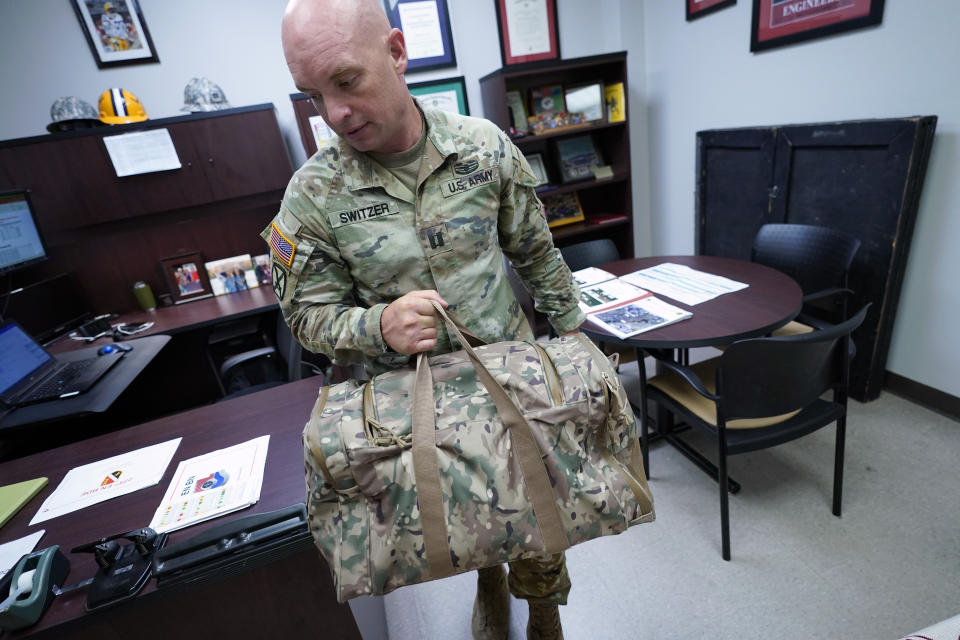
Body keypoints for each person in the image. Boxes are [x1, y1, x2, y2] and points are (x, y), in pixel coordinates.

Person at [265, 1, 586, 638]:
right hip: (411, 406)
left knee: (540, 516)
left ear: (396, 51)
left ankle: (543, 610)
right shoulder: (313, 194)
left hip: (508, 379)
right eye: (311, 96)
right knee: (462, 521)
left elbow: (534, 251)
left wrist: (576, 340)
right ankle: (488, 579)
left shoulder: (482, 147)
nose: (333, 115)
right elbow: (305, 314)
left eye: (346, 82)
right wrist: (375, 325)